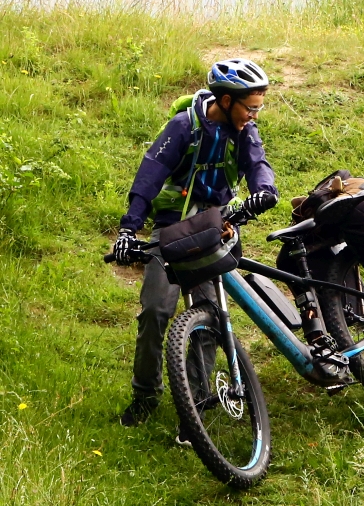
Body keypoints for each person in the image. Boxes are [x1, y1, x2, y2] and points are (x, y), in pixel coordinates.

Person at [113, 58, 278, 431]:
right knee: (156, 311)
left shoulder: (244, 130)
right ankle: (145, 396)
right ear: (223, 99)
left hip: (214, 228)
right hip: (172, 228)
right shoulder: (183, 126)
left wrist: (264, 192)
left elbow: (258, 165)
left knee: (209, 316)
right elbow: (149, 176)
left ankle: (198, 403)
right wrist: (128, 230)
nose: (254, 115)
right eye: (250, 107)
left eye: (259, 108)